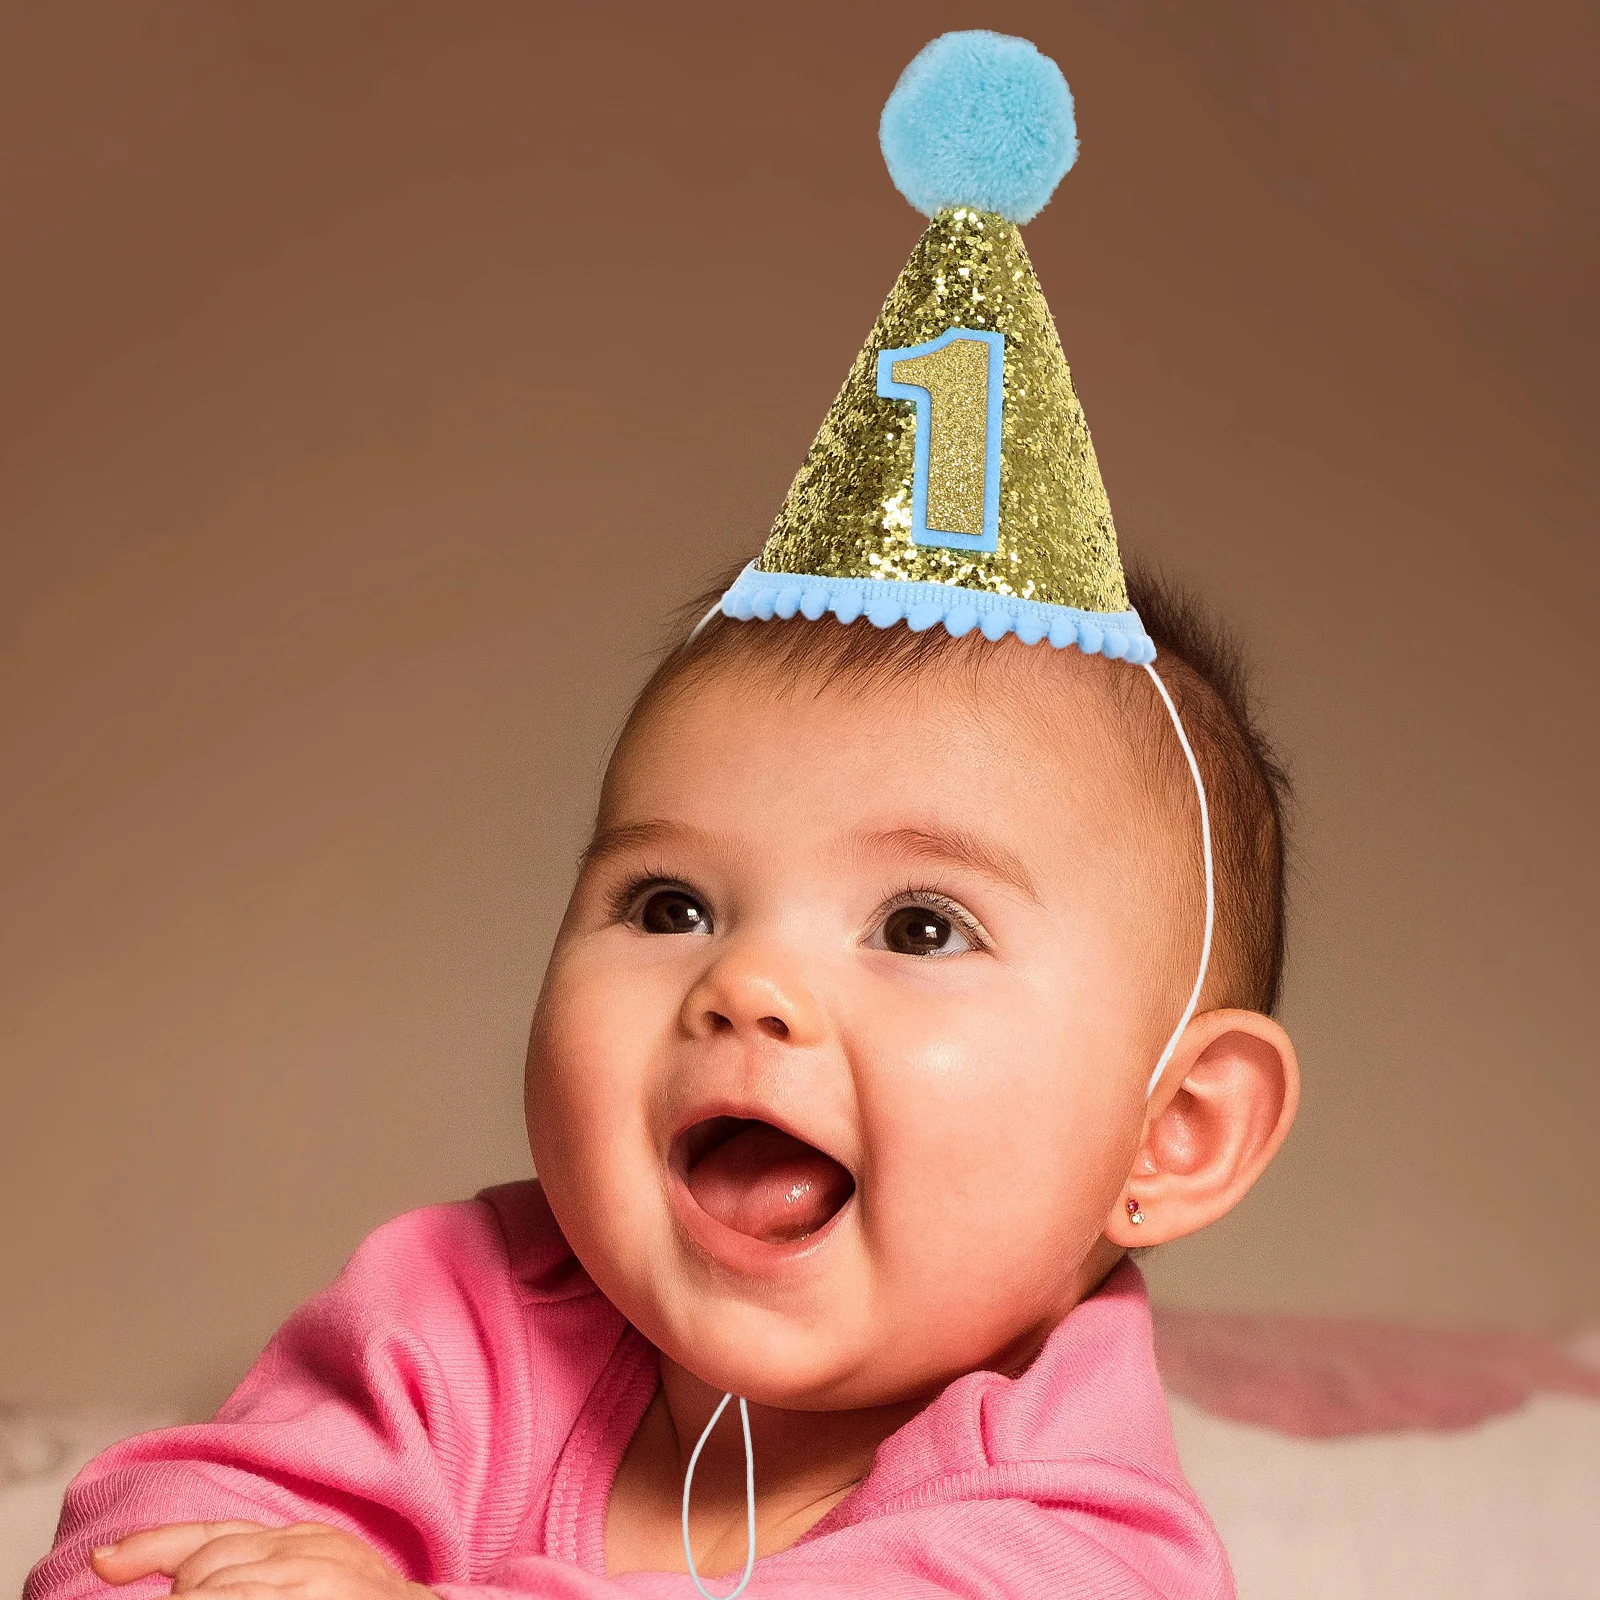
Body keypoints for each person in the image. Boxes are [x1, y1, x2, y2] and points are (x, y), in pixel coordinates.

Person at [29, 31, 1298, 1600]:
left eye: (919, 924)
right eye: (668, 906)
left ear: (1172, 1135)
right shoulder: (461, 1308)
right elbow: (155, 1524)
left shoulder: (1074, 1540)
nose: (744, 987)